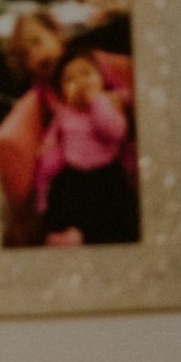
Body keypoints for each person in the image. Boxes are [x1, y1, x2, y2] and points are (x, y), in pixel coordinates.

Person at [0, 10, 134, 247]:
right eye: (27, 54)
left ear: (57, 34)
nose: (36, 55)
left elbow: (119, 98)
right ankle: (68, 233)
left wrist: (105, 100)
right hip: (73, 165)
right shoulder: (43, 92)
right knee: (65, 194)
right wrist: (47, 160)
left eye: (38, 42)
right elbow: (55, 128)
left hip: (110, 156)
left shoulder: (88, 64)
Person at [33, 51, 140, 246]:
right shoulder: (64, 112)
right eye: (69, 79)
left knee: (110, 206)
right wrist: (46, 147)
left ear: (101, 79)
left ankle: (91, 234)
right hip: (73, 172)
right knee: (62, 194)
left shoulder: (108, 103)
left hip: (106, 171)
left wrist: (96, 101)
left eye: (86, 73)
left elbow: (115, 132)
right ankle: (67, 233)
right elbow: (54, 134)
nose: (80, 81)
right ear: (62, 93)